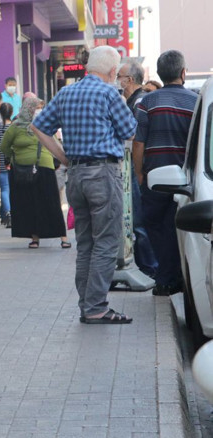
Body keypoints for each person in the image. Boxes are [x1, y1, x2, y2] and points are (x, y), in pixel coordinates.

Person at [32, 46, 137, 324]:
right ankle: (96, 307)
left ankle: (87, 304)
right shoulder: (108, 94)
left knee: (87, 243)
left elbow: (38, 126)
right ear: (113, 71)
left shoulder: (66, 93)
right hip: (103, 173)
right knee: (106, 241)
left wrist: (64, 157)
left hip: (76, 175)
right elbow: (130, 130)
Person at [133, 50, 198, 296]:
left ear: (160, 74)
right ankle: (179, 278)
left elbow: (139, 142)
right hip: (186, 179)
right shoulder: (195, 101)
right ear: (183, 72)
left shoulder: (147, 102)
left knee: (156, 227)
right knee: (182, 228)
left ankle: (166, 278)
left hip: (155, 178)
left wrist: (139, 173)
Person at [1, 97, 70, 249]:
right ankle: (35, 238)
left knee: (51, 203)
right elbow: (4, 146)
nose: (37, 111)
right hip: (22, 171)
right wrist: (14, 157)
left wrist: (61, 159)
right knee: (29, 204)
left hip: (44, 168)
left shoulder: (42, 125)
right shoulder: (15, 127)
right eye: (36, 108)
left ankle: (63, 237)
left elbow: (54, 143)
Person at [118, 59, 158, 279]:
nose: (118, 81)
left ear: (129, 80)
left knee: (140, 223)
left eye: (120, 77)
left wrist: (138, 170)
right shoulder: (133, 101)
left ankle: (149, 267)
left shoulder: (139, 102)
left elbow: (136, 139)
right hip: (138, 170)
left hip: (139, 170)